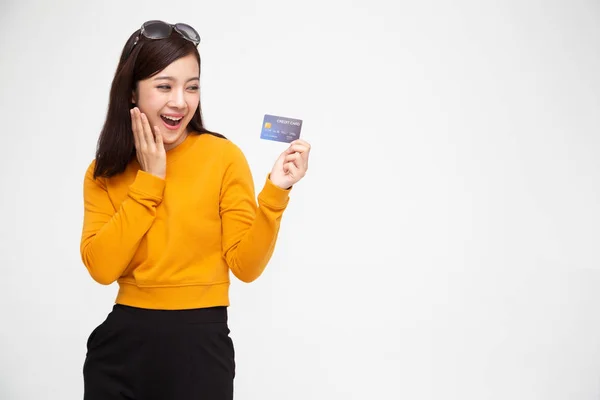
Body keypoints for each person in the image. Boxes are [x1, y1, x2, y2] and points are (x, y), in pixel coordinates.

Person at [79, 20, 311, 399]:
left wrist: (276, 192)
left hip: (201, 350)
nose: (180, 102)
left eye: (192, 86)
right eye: (164, 86)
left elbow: (246, 267)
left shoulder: (222, 157)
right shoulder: (104, 171)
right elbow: (102, 269)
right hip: (120, 352)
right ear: (133, 93)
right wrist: (149, 183)